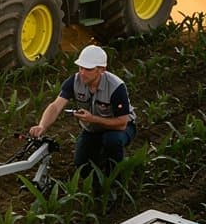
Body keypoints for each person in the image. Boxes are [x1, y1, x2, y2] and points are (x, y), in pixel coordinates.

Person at [29, 44, 137, 203]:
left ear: (101, 70)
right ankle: (97, 183)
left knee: (112, 141)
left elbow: (121, 123)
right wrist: (42, 125)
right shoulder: (75, 81)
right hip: (93, 129)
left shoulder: (116, 87)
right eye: (80, 68)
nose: (82, 72)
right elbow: (56, 105)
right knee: (80, 162)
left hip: (120, 128)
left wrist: (93, 119)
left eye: (88, 69)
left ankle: (114, 182)